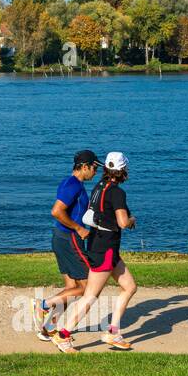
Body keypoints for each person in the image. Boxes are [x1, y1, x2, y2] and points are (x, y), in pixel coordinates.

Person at [51, 152, 138, 352]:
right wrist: (132, 220)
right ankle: (63, 335)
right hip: (105, 249)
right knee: (90, 296)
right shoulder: (117, 192)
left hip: (104, 246)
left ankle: (113, 332)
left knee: (130, 287)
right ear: (123, 170)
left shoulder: (99, 187)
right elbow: (123, 222)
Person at [32, 150, 101, 339]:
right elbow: (57, 211)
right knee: (88, 287)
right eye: (94, 168)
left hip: (60, 237)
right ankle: (43, 305)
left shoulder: (71, 183)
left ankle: (47, 328)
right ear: (84, 167)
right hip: (69, 238)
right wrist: (79, 229)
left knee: (72, 287)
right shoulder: (73, 185)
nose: (95, 172)